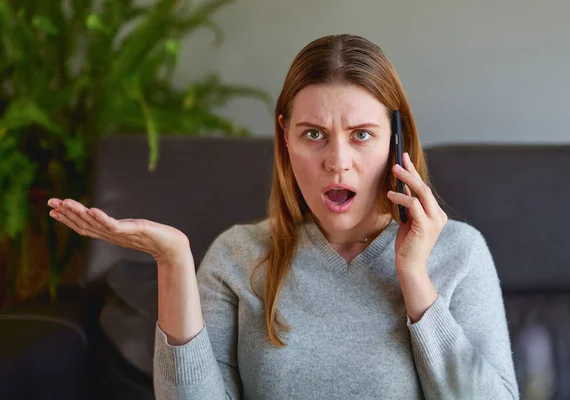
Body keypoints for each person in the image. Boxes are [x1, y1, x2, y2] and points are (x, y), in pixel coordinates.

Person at [48, 34, 518, 399]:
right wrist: (174, 263)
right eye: (314, 134)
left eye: (361, 135)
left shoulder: (459, 251)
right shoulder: (237, 255)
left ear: (397, 141)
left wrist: (415, 279)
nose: (337, 161)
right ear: (285, 138)